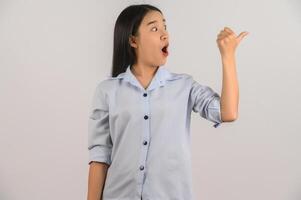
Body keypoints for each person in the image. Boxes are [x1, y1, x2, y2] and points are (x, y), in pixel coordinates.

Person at [87, 3, 248, 200]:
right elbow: (100, 158)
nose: (165, 34)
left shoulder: (185, 86)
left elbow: (228, 112)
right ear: (133, 40)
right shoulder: (107, 90)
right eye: (154, 28)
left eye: (165, 27)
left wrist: (228, 56)